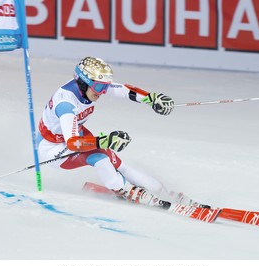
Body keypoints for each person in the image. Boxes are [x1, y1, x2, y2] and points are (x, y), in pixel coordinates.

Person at [37, 56, 209, 209]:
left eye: (104, 86)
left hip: (76, 137)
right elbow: (72, 143)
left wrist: (151, 99)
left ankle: (163, 192)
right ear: (83, 82)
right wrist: (103, 141)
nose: (102, 92)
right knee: (101, 158)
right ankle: (126, 190)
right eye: (99, 86)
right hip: (53, 149)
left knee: (115, 161)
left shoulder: (90, 89)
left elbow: (123, 90)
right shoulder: (66, 104)